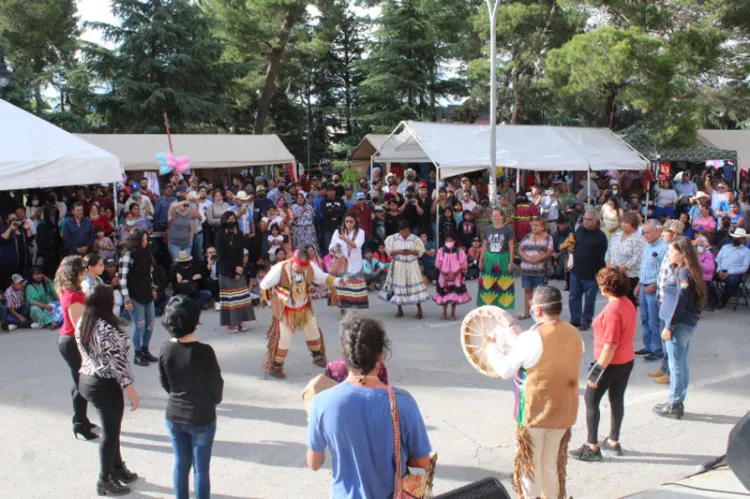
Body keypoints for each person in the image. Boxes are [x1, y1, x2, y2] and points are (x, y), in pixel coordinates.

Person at [306, 313, 432, 497]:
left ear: (345, 354)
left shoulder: (321, 403)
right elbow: (422, 462)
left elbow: (314, 463)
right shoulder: (402, 401)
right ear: (380, 354)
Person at [485, 286, 582, 498]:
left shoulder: (530, 338)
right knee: (550, 463)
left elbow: (504, 370)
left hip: (535, 412)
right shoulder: (574, 332)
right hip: (564, 412)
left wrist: (491, 347)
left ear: (537, 310)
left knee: (530, 465)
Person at [76, 285, 140, 496]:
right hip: (104, 384)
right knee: (110, 433)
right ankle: (104, 479)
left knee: (112, 428)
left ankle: (117, 468)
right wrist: (131, 392)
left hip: (86, 378)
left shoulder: (83, 322)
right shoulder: (106, 329)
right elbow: (118, 364)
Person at [159, 296, 224, 499]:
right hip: (201, 416)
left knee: (180, 464)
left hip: (174, 415)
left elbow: (165, 383)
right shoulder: (205, 352)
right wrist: (209, 401)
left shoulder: (165, 348)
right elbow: (216, 388)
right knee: (201, 469)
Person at [570, 268, 635, 462]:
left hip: (610, 363)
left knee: (591, 399)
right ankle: (614, 441)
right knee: (616, 399)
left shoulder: (613, 310)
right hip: (626, 359)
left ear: (607, 288)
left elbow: (610, 346)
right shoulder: (627, 303)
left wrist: (596, 372)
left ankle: (592, 447)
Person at [259, 249, 339, 378]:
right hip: (285, 310)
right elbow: (264, 285)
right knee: (283, 339)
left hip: (303, 307)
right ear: (292, 261)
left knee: (313, 330)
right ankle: (276, 366)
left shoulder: (310, 267)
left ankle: (317, 355)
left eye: (304, 268)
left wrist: (337, 281)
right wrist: (271, 303)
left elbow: (322, 277)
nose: (302, 270)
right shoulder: (279, 269)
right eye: (299, 267)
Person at [653, 237, 707, 419]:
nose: (669, 254)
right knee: (681, 363)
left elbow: (681, 299)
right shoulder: (685, 271)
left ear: (682, 253)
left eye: (672, 251)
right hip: (684, 323)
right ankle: (677, 400)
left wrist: (670, 325)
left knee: (675, 365)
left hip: (678, 324)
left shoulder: (683, 273)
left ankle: (674, 403)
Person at [54, 256, 97, 440]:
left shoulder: (72, 292)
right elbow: (79, 325)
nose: (85, 270)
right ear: (75, 272)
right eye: (82, 268)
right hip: (73, 341)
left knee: (78, 381)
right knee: (82, 383)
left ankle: (81, 418)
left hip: (70, 339)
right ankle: (80, 424)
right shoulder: (72, 295)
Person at [119, 228, 157, 367]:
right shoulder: (128, 255)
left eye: (146, 239)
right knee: (139, 325)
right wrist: (126, 299)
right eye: (143, 240)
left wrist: (153, 288)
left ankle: (145, 349)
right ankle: (137, 353)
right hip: (135, 295)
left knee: (150, 324)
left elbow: (149, 274)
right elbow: (122, 279)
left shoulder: (147, 253)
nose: (146, 242)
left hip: (147, 292)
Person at [379, 222, 430, 319]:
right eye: (403, 232)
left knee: (415, 286)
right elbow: (389, 251)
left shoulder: (415, 239)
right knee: (399, 286)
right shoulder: (393, 238)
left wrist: (410, 252)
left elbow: (420, 251)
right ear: (400, 231)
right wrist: (400, 252)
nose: (405, 234)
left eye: (407, 232)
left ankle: (419, 310)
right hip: (399, 265)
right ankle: (399, 309)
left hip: (412, 265)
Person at [215, 211, 255, 332]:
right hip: (226, 270)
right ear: (224, 220)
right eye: (229, 219)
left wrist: (239, 267)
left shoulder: (239, 234)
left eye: (233, 219)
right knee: (231, 298)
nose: (231, 221)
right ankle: (232, 323)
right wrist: (234, 269)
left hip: (238, 268)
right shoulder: (220, 235)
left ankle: (241, 322)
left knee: (241, 298)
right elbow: (221, 256)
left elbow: (240, 252)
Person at [568, 209, 608, 331]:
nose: (586, 221)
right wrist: (570, 250)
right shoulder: (579, 231)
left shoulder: (601, 236)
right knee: (574, 297)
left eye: (589, 220)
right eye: (584, 219)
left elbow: (603, 256)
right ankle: (575, 319)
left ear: (596, 221)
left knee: (589, 300)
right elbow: (574, 245)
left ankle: (586, 321)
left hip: (592, 274)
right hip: (576, 272)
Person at [635, 220, 669, 361]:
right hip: (644, 285)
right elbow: (644, 267)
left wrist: (653, 285)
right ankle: (648, 345)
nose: (645, 235)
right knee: (645, 319)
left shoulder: (664, 248)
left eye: (647, 232)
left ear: (658, 231)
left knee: (654, 320)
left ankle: (657, 350)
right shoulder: (647, 246)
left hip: (654, 288)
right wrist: (639, 284)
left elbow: (665, 272)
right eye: (644, 232)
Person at [329, 213, 368, 313]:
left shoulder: (360, 232)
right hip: (341, 262)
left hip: (355, 262)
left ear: (355, 222)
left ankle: (354, 308)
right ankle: (343, 307)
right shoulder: (338, 232)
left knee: (354, 287)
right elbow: (331, 247)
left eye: (351, 221)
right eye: (347, 221)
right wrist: (335, 250)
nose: (349, 224)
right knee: (342, 286)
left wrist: (345, 239)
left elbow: (356, 245)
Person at [478, 208, 516, 310]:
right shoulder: (488, 229)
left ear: (502, 216)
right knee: (488, 282)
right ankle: (488, 307)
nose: (495, 218)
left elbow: (511, 246)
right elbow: (485, 245)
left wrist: (511, 262)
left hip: (503, 257)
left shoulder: (508, 229)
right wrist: (481, 260)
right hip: (489, 257)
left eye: (497, 215)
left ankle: (502, 307)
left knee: (503, 283)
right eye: (493, 216)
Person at [518, 218, 554, 320]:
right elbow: (520, 249)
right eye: (533, 225)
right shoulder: (527, 237)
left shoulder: (548, 238)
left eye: (537, 225)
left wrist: (537, 260)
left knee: (540, 293)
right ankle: (526, 313)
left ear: (543, 227)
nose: (534, 227)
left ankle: (541, 315)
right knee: (528, 291)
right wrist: (527, 258)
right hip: (526, 270)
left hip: (540, 271)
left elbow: (549, 252)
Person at [605, 212, 644, 305]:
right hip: (613, 273)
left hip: (629, 276)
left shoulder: (638, 239)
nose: (623, 224)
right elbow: (609, 251)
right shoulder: (616, 235)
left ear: (633, 224)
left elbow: (636, 258)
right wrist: (608, 265)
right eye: (622, 222)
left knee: (628, 302)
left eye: (626, 222)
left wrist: (621, 269)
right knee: (614, 301)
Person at [432, 233, 471, 321]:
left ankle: (453, 313)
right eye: (447, 241)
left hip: (456, 277)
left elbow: (463, 265)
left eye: (451, 241)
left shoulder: (459, 252)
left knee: (454, 296)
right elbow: (438, 264)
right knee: (443, 295)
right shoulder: (441, 251)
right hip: (443, 277)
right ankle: (444, 312)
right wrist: (444, 275)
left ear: (455, 241)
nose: (448, 242)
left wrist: (455, 275)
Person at [714, 228, 750, 309]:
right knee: (705, 277)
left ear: (743, 239)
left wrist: (729, 272)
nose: (736, 239)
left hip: (734, 273)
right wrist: (719, 270)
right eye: (735, 237)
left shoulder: (746, 251)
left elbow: (745, 267)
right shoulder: (724, 247)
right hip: (720, 270)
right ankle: (713, 299)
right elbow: (717, 259)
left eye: (739, 238)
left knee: (731, 281)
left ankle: (722, 302)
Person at [321, 185, 347, 256]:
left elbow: (344, 212)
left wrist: (332, 211)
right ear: (326, 192)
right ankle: (328, 263)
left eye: (332, 190)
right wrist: (336, 210)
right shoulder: (323, 202)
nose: (331, 192)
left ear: (335, 192)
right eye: (329, 191)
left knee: (339, 245)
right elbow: (325, 212)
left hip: (339, 227)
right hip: (327, 228)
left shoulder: (340, 200)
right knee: (328, 246)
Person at [167, 199, 196, 264]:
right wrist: (185, 201)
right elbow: (173, 205)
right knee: (177, 264)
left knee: (187, 264)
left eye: (187, 205)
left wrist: (191, 240)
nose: (185, 207)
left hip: (187, 243)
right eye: (184, 205)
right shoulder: (173, 214)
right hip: (174, 244)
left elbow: (191, 229)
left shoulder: (188, 214)